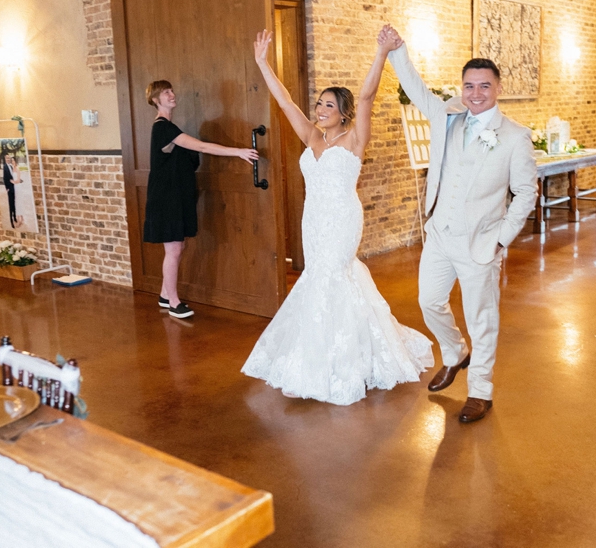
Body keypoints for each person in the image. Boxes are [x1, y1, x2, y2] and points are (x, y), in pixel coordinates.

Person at [240, 26, 433, 404]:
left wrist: (381, 54)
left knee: (335, 275)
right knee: (317, 277)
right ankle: (315, 353)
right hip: (313, 220)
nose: (320, 110)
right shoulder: (312, 137)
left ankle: (345, 362)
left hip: (342, 219)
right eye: (319, 104)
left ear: (343, 113)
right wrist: (263, 63)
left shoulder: (355, 139)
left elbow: (366, 97)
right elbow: (284, 103)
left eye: (329, 105)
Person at [386, 26, 538, 424]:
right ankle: (455, 353)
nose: (475, 93)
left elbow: (526, 194)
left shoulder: (515, 137)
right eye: (469, 85)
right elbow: (416, 88)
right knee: (428, 301)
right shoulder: (448, 116)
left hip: (481, 243)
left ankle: (481, 391)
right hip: (440, 233)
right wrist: (398, 50)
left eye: (484, 86)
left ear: (497, 88)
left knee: (481, 319)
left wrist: (500, 241)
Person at [142, 80, 259, 319]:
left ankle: (166, 294)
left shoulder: (169, 127)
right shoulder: (163, 128)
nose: (172, 94)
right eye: (166, 92)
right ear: (155, 99)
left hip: (173, 196)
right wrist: (238, 152)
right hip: (165, 198)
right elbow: (202, 147)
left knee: (178, 246)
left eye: (172, 90)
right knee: (173, 249)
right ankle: (174, 302)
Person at [0, 153, 18, 228]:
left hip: (14, 187)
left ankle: (15, 217)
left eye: (9, 158)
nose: (8, 159)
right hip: (10, 188)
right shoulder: (5, 167)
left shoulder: (11, 166)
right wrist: (7, 188)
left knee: (14, 203)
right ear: (5, 159)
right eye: (7, 158)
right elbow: (5, 179)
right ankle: (11, 220)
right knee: (10, 204)